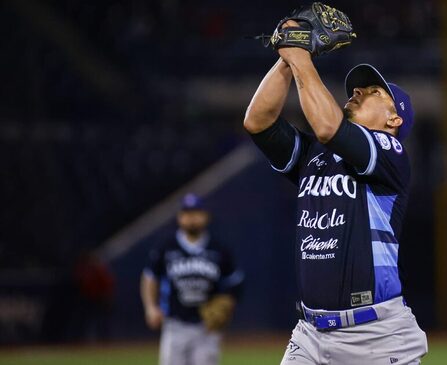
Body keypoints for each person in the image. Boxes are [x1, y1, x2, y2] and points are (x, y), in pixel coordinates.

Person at [244, 20, 428, 365]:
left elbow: (328, 127)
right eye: (358, 89)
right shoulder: (317, 154)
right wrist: (286, 54)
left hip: (376, 337)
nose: (357, 92)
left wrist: (302, 56)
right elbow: (259, 122)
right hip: (311, 334)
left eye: (373, 91)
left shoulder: (391, 153)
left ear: (394, 120)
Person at [140, 193, 244, 365]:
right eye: (187, 214)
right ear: (180, 217)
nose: (192, 219)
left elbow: (235, 282)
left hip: (207, 327)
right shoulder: (166, 247)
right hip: (174, 325)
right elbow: (150, 277)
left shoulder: (219, 249)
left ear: (206, 216)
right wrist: (151, 307)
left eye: (196, 213)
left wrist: (228, 302)